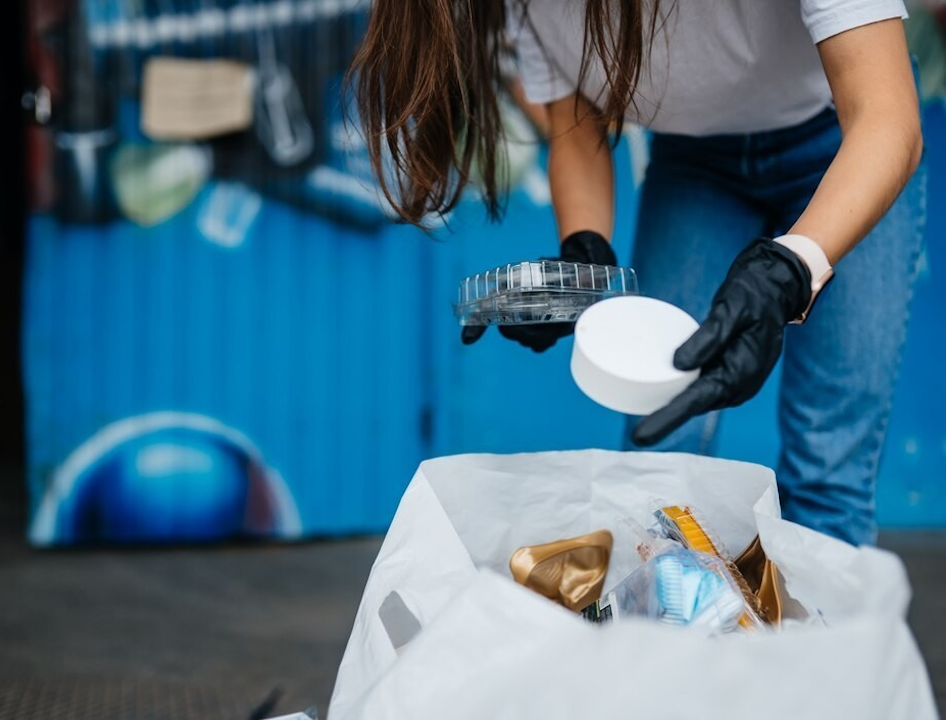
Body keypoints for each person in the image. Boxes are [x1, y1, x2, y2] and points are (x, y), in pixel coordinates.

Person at [350, 0, 926, 546]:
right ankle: (670, 641)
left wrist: (791, 268)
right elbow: (576, 119)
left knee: (828, 471)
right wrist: (585, 251)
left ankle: (829, 651)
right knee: (660, 470)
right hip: (696, 165)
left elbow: (886, 119)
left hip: (847, 143)